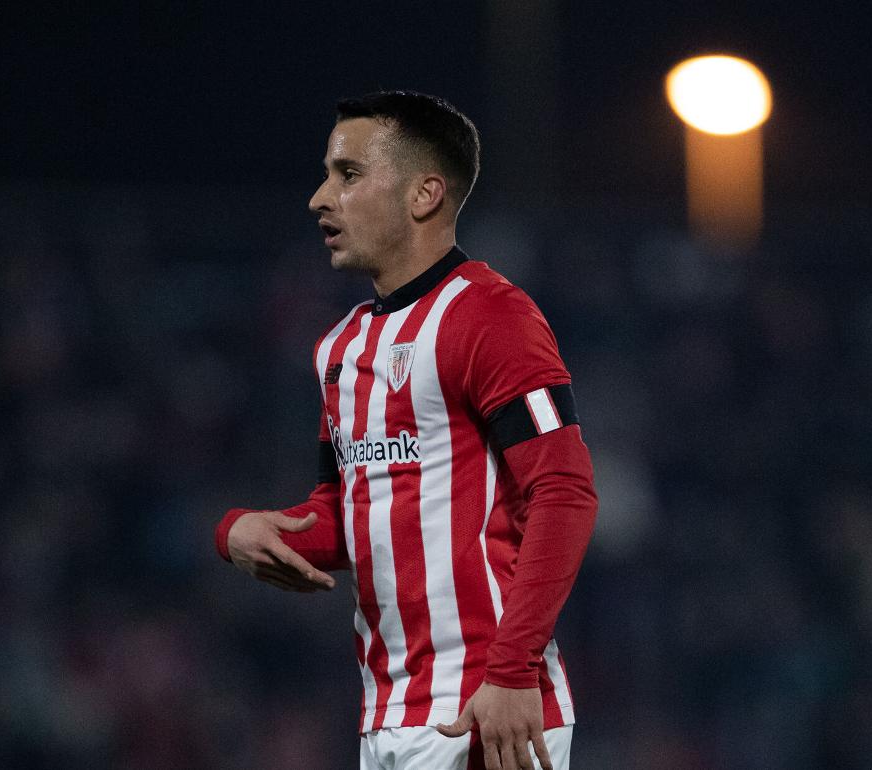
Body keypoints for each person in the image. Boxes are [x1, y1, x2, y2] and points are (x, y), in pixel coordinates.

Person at [214, 91, 598, 770]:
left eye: (349, 175)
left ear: (425, 194)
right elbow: (356, 510)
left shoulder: (490, 316)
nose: (320, 198)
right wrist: (249, 529)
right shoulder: (339, 349)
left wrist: (511, 672)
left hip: (484, 712)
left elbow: (564, 491)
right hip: (387, 716)